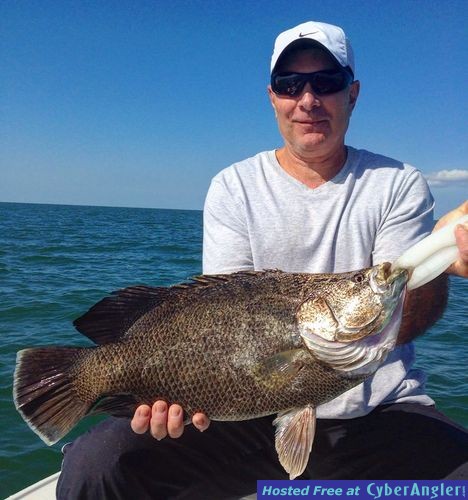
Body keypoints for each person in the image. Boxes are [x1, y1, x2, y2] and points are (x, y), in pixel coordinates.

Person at [57, 21, 468, 499]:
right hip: (247, 414)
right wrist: (177, 394)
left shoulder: (397, 183)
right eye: (291, 85)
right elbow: (218, 319)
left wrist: (440, 261)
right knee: (96, 465)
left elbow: (405, 307)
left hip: (380, 412)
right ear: (272, 97)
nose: (308, 100)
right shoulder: (233, 187)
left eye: (326, 83)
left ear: (352, 94)